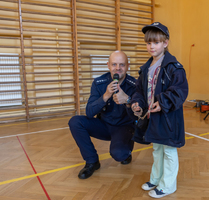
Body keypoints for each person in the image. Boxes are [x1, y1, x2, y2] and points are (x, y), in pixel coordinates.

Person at [131, 22, 188, 198]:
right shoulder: (146, 68)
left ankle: (168, 185)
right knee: (157, 149)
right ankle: (156, 179)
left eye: (156, 42)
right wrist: (137, 102)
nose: (151, 46)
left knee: (169, 150)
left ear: (165, 43)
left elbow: (180, 91)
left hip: (168, 118)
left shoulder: (174, 67)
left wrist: (162, 102)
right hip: (152, 117)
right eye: (148, 43)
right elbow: (139, 91)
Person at [68, 51, 136, 179]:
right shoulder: (99, 82)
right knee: (75, 121)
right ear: (108, 65)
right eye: (114, 64)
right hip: (104, 125)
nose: (118, 68)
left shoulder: (135, 85)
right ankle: (92, 161)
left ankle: (126, 149)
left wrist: (128, 100)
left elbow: (139, 115)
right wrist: (105, 96)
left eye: (122, 65)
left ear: (128, 66)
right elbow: (89, 112)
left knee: (119, 155)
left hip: (124, 127)